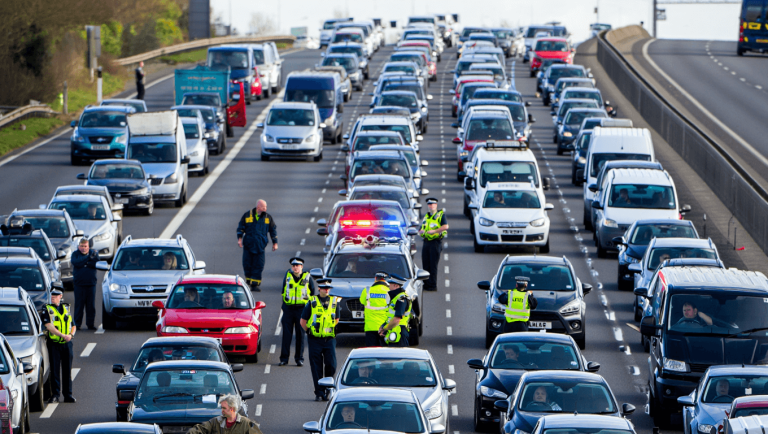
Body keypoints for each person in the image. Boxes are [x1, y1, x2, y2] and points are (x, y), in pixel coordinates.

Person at [301, 278, 339, 401]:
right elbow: (303, 321)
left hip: (329, 339)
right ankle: (319, 392)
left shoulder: (334, 302)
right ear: (319, 289)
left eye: (328, 288)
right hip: (315, 340)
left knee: (331, 364)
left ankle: (328, 388)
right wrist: (310, 332)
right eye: (324, 288)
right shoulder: (312, 302)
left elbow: (337, 319)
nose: (326, 290)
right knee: (316, 366)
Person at [279, 257, 316, 367]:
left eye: (297, 265)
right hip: (289, 310)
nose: (295, 267)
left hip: (301, 310)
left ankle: (299, 359)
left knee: (300, 335)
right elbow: (283, 291)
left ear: (302, 267)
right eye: (293, 265)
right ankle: (284, 359)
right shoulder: (288, 276)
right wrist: (285, 307)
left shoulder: (307, 277)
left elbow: (312, 293)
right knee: (286, 335)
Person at [42, 288, 76, 403]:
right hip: (54, 344)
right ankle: (55, 394)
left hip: (67, 343)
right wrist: (62, 335)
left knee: (67, 370)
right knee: (55, 370)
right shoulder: (47, 308)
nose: (53, 297)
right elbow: (48, 325)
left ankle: (68, 395)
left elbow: (73, 325)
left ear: (61, 296)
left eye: (56, 295)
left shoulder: (66, 308)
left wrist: (71, 335)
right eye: (52, 295)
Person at [236, 199, 278, 291]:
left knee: (259, 265)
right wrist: (239, 239)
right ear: (258, 207)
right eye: (264, 207)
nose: (266, 209)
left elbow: (273, 230)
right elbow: (240, 227)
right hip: (248, 246)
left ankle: (255, 284)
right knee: (247, 264)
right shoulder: (247, 215)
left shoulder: (268, 218)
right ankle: (248, 282)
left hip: (260, 246)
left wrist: (275, 243)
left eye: (266, 207)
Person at [187, 394, 264, 434]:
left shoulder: (246, 424)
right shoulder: (215, 422)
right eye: (221, 408)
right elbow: (200, 429)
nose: (222, 410)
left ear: (232, 408)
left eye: (224, 408)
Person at [419, 197, 448, 291]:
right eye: (429, 204)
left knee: (433, 265)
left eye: (433, 204)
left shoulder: (440, 215)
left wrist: (434, 231)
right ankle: (426, 284)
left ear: (436, 205)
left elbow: (445, 226)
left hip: (435, 242)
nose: (431, 206)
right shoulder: (426, 216)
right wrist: (421, 231)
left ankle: (432, 285)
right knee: (425, 264)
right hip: (426, 241)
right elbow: (421, 227)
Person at [71, 238, 99, 330]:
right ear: (79, 246)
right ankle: (77, 324)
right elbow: (76, 262)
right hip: (79, 284)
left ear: (88, 246)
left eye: (85, 246)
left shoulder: (94, 253)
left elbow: (95, 262)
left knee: (91, 306)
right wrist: (87, 259)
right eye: (82, 246)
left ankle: (90, 324)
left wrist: (85, 262)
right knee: (79, 305)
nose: (83, 248)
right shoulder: (75, 254)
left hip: (91, 283)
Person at [379, 274, 411, 347]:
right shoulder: (395, 298)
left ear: (396, 286)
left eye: (389, 284)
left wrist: (385, 329)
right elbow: (391, 317)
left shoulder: (401, 298)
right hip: (394, 332)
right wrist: (383, 325)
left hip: (399, 334)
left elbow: (397, 319)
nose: (388, 287)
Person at [359, 271, 391, 347]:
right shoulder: (389, 291)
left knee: (371, 352)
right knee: (385, 353)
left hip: (370, 327)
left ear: (375, 278)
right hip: (384, 327)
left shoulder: (367, 290)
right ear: (386, 280)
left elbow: (362, 301)